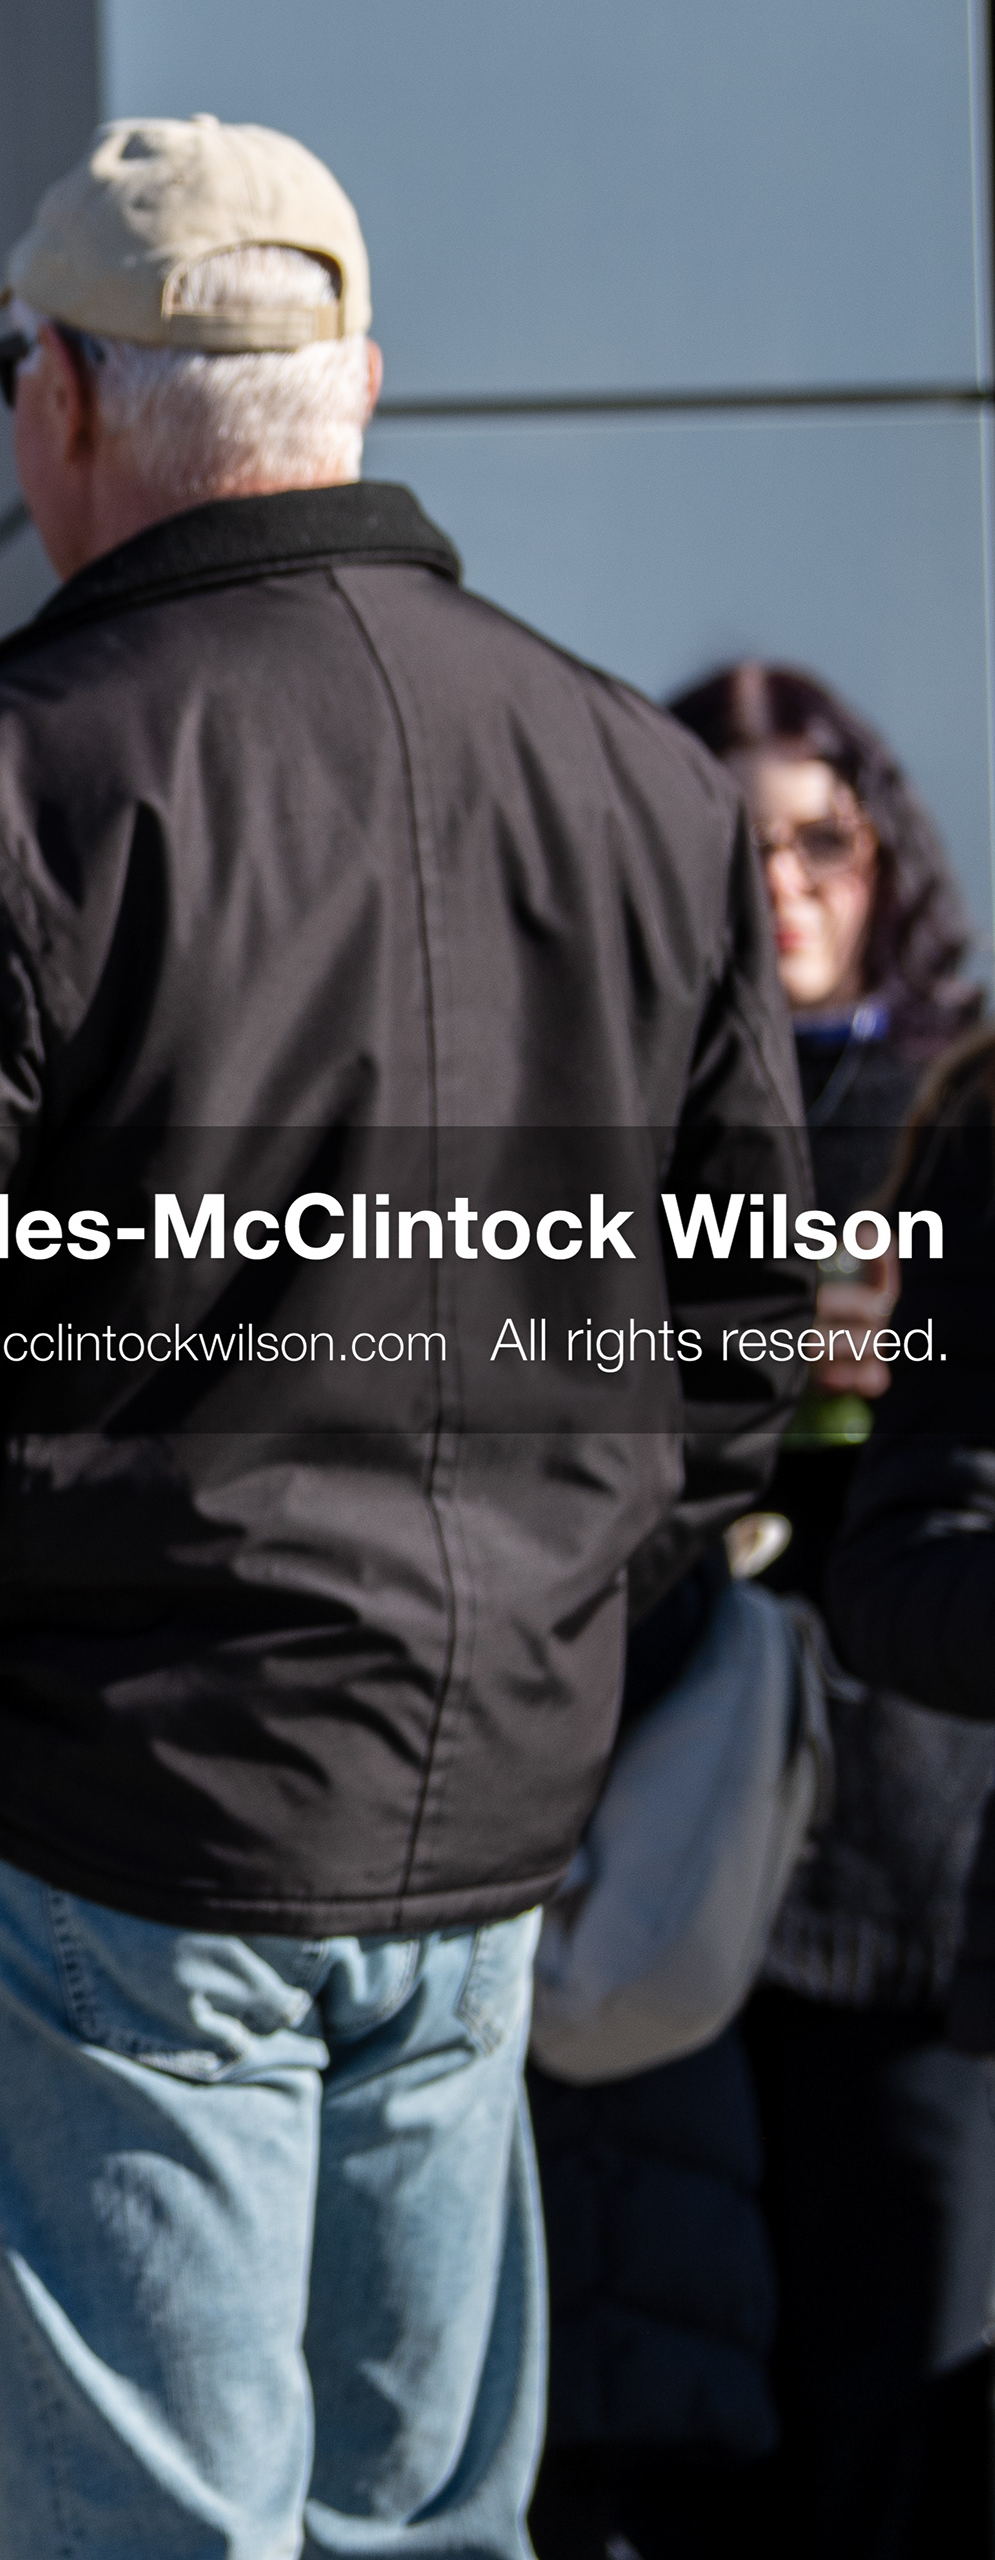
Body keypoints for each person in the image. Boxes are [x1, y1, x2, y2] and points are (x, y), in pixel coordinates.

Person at [0, 116, 810, 2560]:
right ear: (363, 383)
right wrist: (555, 1620)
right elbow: (746, 1331)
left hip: (107, 1809)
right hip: (477, 1803)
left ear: (69, 403)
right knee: (429, 2522)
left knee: (159, 2531)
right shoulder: (639, 776)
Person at [660, 663, 995, 2557]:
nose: (781, 883)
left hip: (915, 1857)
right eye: (731, 842)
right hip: (664, 1863)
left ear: (887, 856)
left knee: (903, 2417)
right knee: (695, 2422)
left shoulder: (958, 1100)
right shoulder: (602, 1109)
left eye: (821, 839)